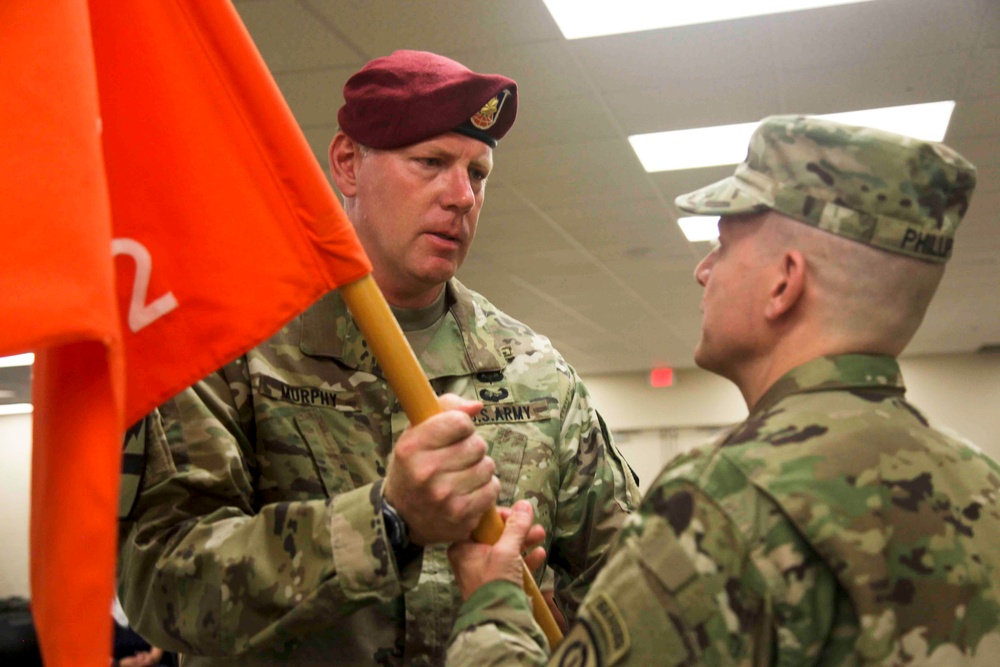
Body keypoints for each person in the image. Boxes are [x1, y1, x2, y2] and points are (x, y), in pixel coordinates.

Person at [116, 50, 639, 667]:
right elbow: (164, 584)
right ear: (347, 164)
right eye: (431, 163)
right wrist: (386, 520)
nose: (462, 197)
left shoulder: (534, 373)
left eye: (478, 174)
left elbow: (626, 583)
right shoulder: (233, 348)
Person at [445, 115, 1000, 666]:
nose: (704, 270)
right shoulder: (983, 485)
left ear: (785, 282)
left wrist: (492, 602)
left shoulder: (727, 499)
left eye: (724, 246)